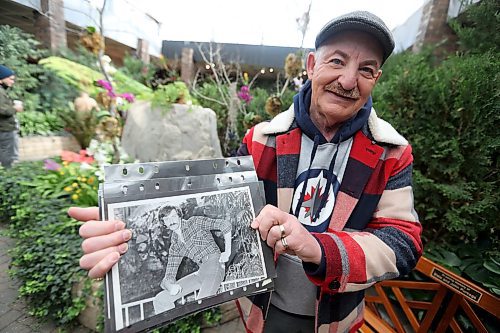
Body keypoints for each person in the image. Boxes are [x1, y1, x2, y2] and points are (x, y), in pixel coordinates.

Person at [71, 10, 422, 333]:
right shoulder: (261, 140)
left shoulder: (391, 152)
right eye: (337, 61)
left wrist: (317, 247)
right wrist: (125, 226)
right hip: (264, 311)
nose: (348, 81)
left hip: (338, 319)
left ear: (376, 78)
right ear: (312, 64)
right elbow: (217, 204)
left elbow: (404, 242)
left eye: (366, 69)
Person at [152, 205, 232, 313]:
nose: (171, 221)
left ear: (179, 216)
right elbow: (168, 276)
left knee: (201, 305)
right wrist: (170, 286)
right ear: (164, 224)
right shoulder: (175, 245)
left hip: (215, 265)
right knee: (160, 300)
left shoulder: (194, 222)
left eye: (173, 216)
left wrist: (227, 251)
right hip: (200, 273)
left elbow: (224, 225)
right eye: (167, 219)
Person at [0, 65, 23, 168]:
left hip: (5, 128)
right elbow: (2, 109)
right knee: (9, 156)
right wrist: (15, 109)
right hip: (5, 129)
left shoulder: (2, 91)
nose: (12, 82)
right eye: (10, 79)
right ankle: (8, 177)